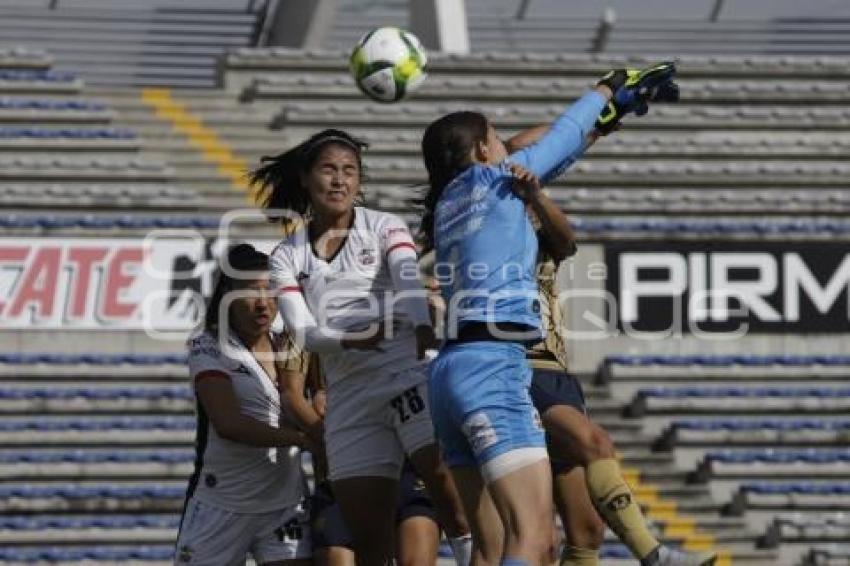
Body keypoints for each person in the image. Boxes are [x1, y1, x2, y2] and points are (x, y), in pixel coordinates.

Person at [418, 65, 680, 566]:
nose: (503, 146)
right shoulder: (493, 180)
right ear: (480, 150)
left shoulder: (447, 203)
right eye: (495, 138)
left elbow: (549, 160)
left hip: (450, 370)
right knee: (535, 539)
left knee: (489, 549)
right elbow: (559, 136)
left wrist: (605, 120)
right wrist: (608, 89)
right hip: (494, 364)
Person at [498, 64, 715, 566]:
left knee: (585, 530)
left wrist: (604, 120)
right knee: (594, 448)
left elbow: (550, 171)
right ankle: (654, 554)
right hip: (517, 362)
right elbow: (528, 147)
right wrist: (601, 110)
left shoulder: (528, 212)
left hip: (556, 365)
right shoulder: (494, 213)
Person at [252, 129, 471, 566]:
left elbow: (407, 274)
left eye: (349, 171)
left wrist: (423, 326)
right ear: (306, 179)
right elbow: (308, 334)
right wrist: (356, 338)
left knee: (448, 490)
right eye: (329, 170)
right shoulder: (286, 255)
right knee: (369, 539)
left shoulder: (385, 225)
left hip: (406, 374)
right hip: (350, 398)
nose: (340, 180)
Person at [175, 243, 312, 566]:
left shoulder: (293, 343)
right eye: (251, 291)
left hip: (285, 505)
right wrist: (304, 440)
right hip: (222, 503)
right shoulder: (208, 346)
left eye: (271, 289)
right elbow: (229, 424)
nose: (263, 303)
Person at [278, 353, 444, 566]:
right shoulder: (304, 327)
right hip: (341, 471)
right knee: (340, 558)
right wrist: (334, 433)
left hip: (408, 467)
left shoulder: (404, 325)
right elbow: (292, 395)